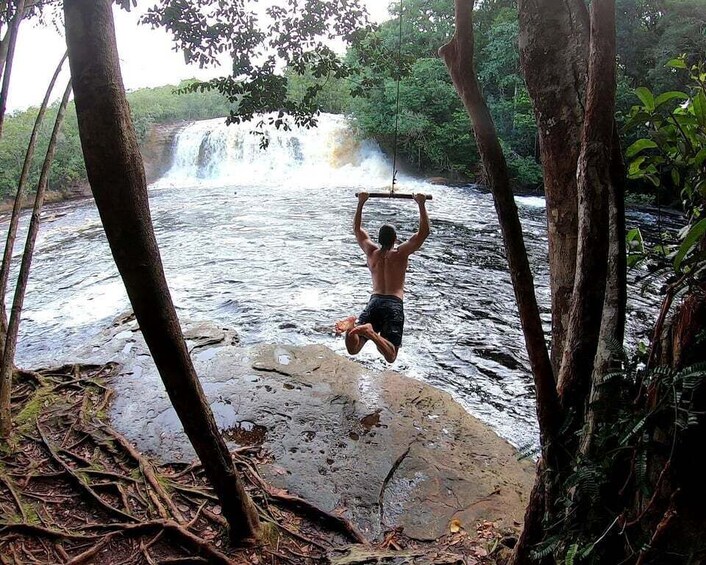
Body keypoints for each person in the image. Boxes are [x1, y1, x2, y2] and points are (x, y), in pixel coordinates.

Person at [335, 191, 430, 363]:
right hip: (393, 304)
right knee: (391, 355)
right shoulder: (401, 253)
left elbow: (357, 229)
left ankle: (351, 328)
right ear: (395, 239)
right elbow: (423, 233)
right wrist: (421, 204)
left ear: (378, 239)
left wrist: (361, 202)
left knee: (353, 349)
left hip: (375, 301)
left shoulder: (371, 253)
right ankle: (370, 333)